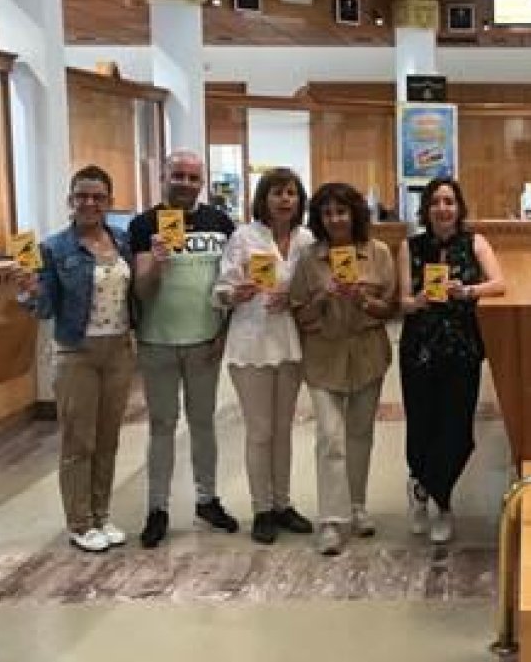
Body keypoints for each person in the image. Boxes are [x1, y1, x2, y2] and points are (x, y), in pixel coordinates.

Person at [16, 165, 135, 552]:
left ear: (109, 202)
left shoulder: (121, 241)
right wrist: (31, 290)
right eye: (82, 196)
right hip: (76, 352)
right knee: (78, 440)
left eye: (98, 197)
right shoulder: (54, 248)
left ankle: (102, 514)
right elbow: (45, 309)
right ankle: (80, 523)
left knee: (108, 439)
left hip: (119, 350)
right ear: (70, 200)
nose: (89, 203)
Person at [128, 150, 239, 548]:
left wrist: (224, 332)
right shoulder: (144, 225)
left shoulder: (220, 223)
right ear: (164, 177)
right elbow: (142, 291)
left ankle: (207, 500)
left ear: (202, 182)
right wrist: (157, 262)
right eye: (178, 175)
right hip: (156, 342)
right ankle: (157, 508)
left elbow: (229, 283)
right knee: (162, 425)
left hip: (205, 342)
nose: (185, 183)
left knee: (204, 423)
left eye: (193, 177)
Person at [398, 178, 505, 545]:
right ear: (426, 209)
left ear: (459, 208)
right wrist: (418, 300)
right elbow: (402, 302)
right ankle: (439, 503)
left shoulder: (475, 243)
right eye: (435, 202)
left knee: (458, 432)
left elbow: (499, 283)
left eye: (449, 201)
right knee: (422, 426)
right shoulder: (410, 246)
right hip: (420, 349)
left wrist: (468, 290)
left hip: (462, 347)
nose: (442, 208)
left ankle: (425, 487)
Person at [290, 182, 396, 555]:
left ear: (355, 214)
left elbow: (390, 309)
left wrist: (363, 299)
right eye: (327, 213)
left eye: (342, 211)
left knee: (360, 434)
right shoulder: (308, 259)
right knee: (330, 437)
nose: (335, 219)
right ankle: (332, 520)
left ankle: (356, 505)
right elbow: (300, 315)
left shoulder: (378, 253)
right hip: (323, 356)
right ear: (319, 218)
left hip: (368, 354)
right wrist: (324, 296)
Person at [213, 167, 314, 544]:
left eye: (291, 193)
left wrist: (294, 298)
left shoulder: (307, 239)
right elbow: (219, 290)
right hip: (251, 344)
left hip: (290, 344)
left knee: (283, 429)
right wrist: (235, 293)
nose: (285, 199)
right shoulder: (244, 237)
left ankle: (283, 504)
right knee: (260, 431)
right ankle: (262, 509)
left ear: (299, 199)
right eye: (277, 193)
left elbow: (314, 289)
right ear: (263, 199)